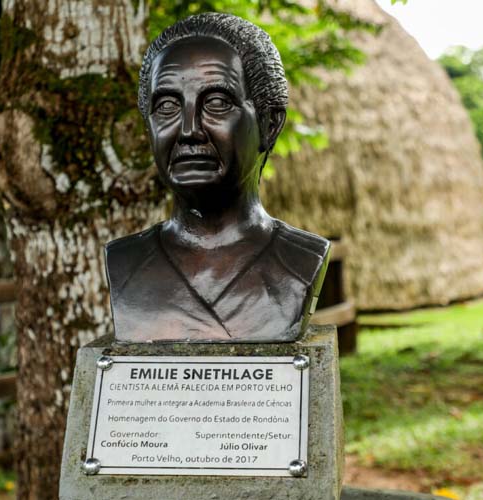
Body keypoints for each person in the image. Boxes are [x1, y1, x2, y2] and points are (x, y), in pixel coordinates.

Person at [106, 13, 329, 342]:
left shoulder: (300, 262)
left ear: (269, 125)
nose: (188, 130)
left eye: (217, 102)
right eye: (167, 106)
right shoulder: (124, 263)